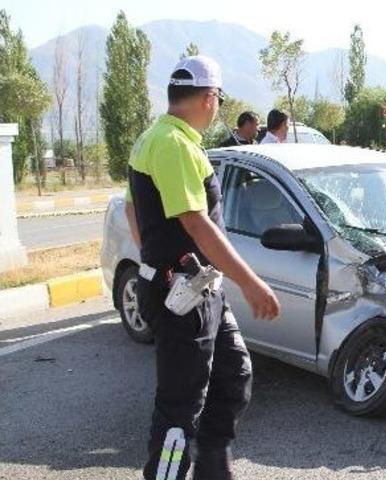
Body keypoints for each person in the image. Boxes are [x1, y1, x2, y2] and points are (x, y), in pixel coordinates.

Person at [124, 55, 280, 479]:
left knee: (233, 376)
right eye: (219, 99)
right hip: (183, 296)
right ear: (210, 98)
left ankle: (214, 469)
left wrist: (155, 259)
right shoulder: (172, 145)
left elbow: (131, 208)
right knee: (180, 409)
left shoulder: (160, 139)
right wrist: (251, 283)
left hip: (198, 287)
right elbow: (197, 224)